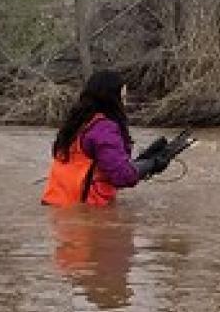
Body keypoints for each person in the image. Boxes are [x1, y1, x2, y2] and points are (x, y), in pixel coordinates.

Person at [41, 69, 171, 208]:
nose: (125, 104)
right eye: (123, 98)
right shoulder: (104, 129)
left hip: (55, 206)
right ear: (112, 99)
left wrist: (141, 161)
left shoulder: (76, 123)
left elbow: (104, 169)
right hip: (85, 213)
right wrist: (151, 164)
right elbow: (122, 177)